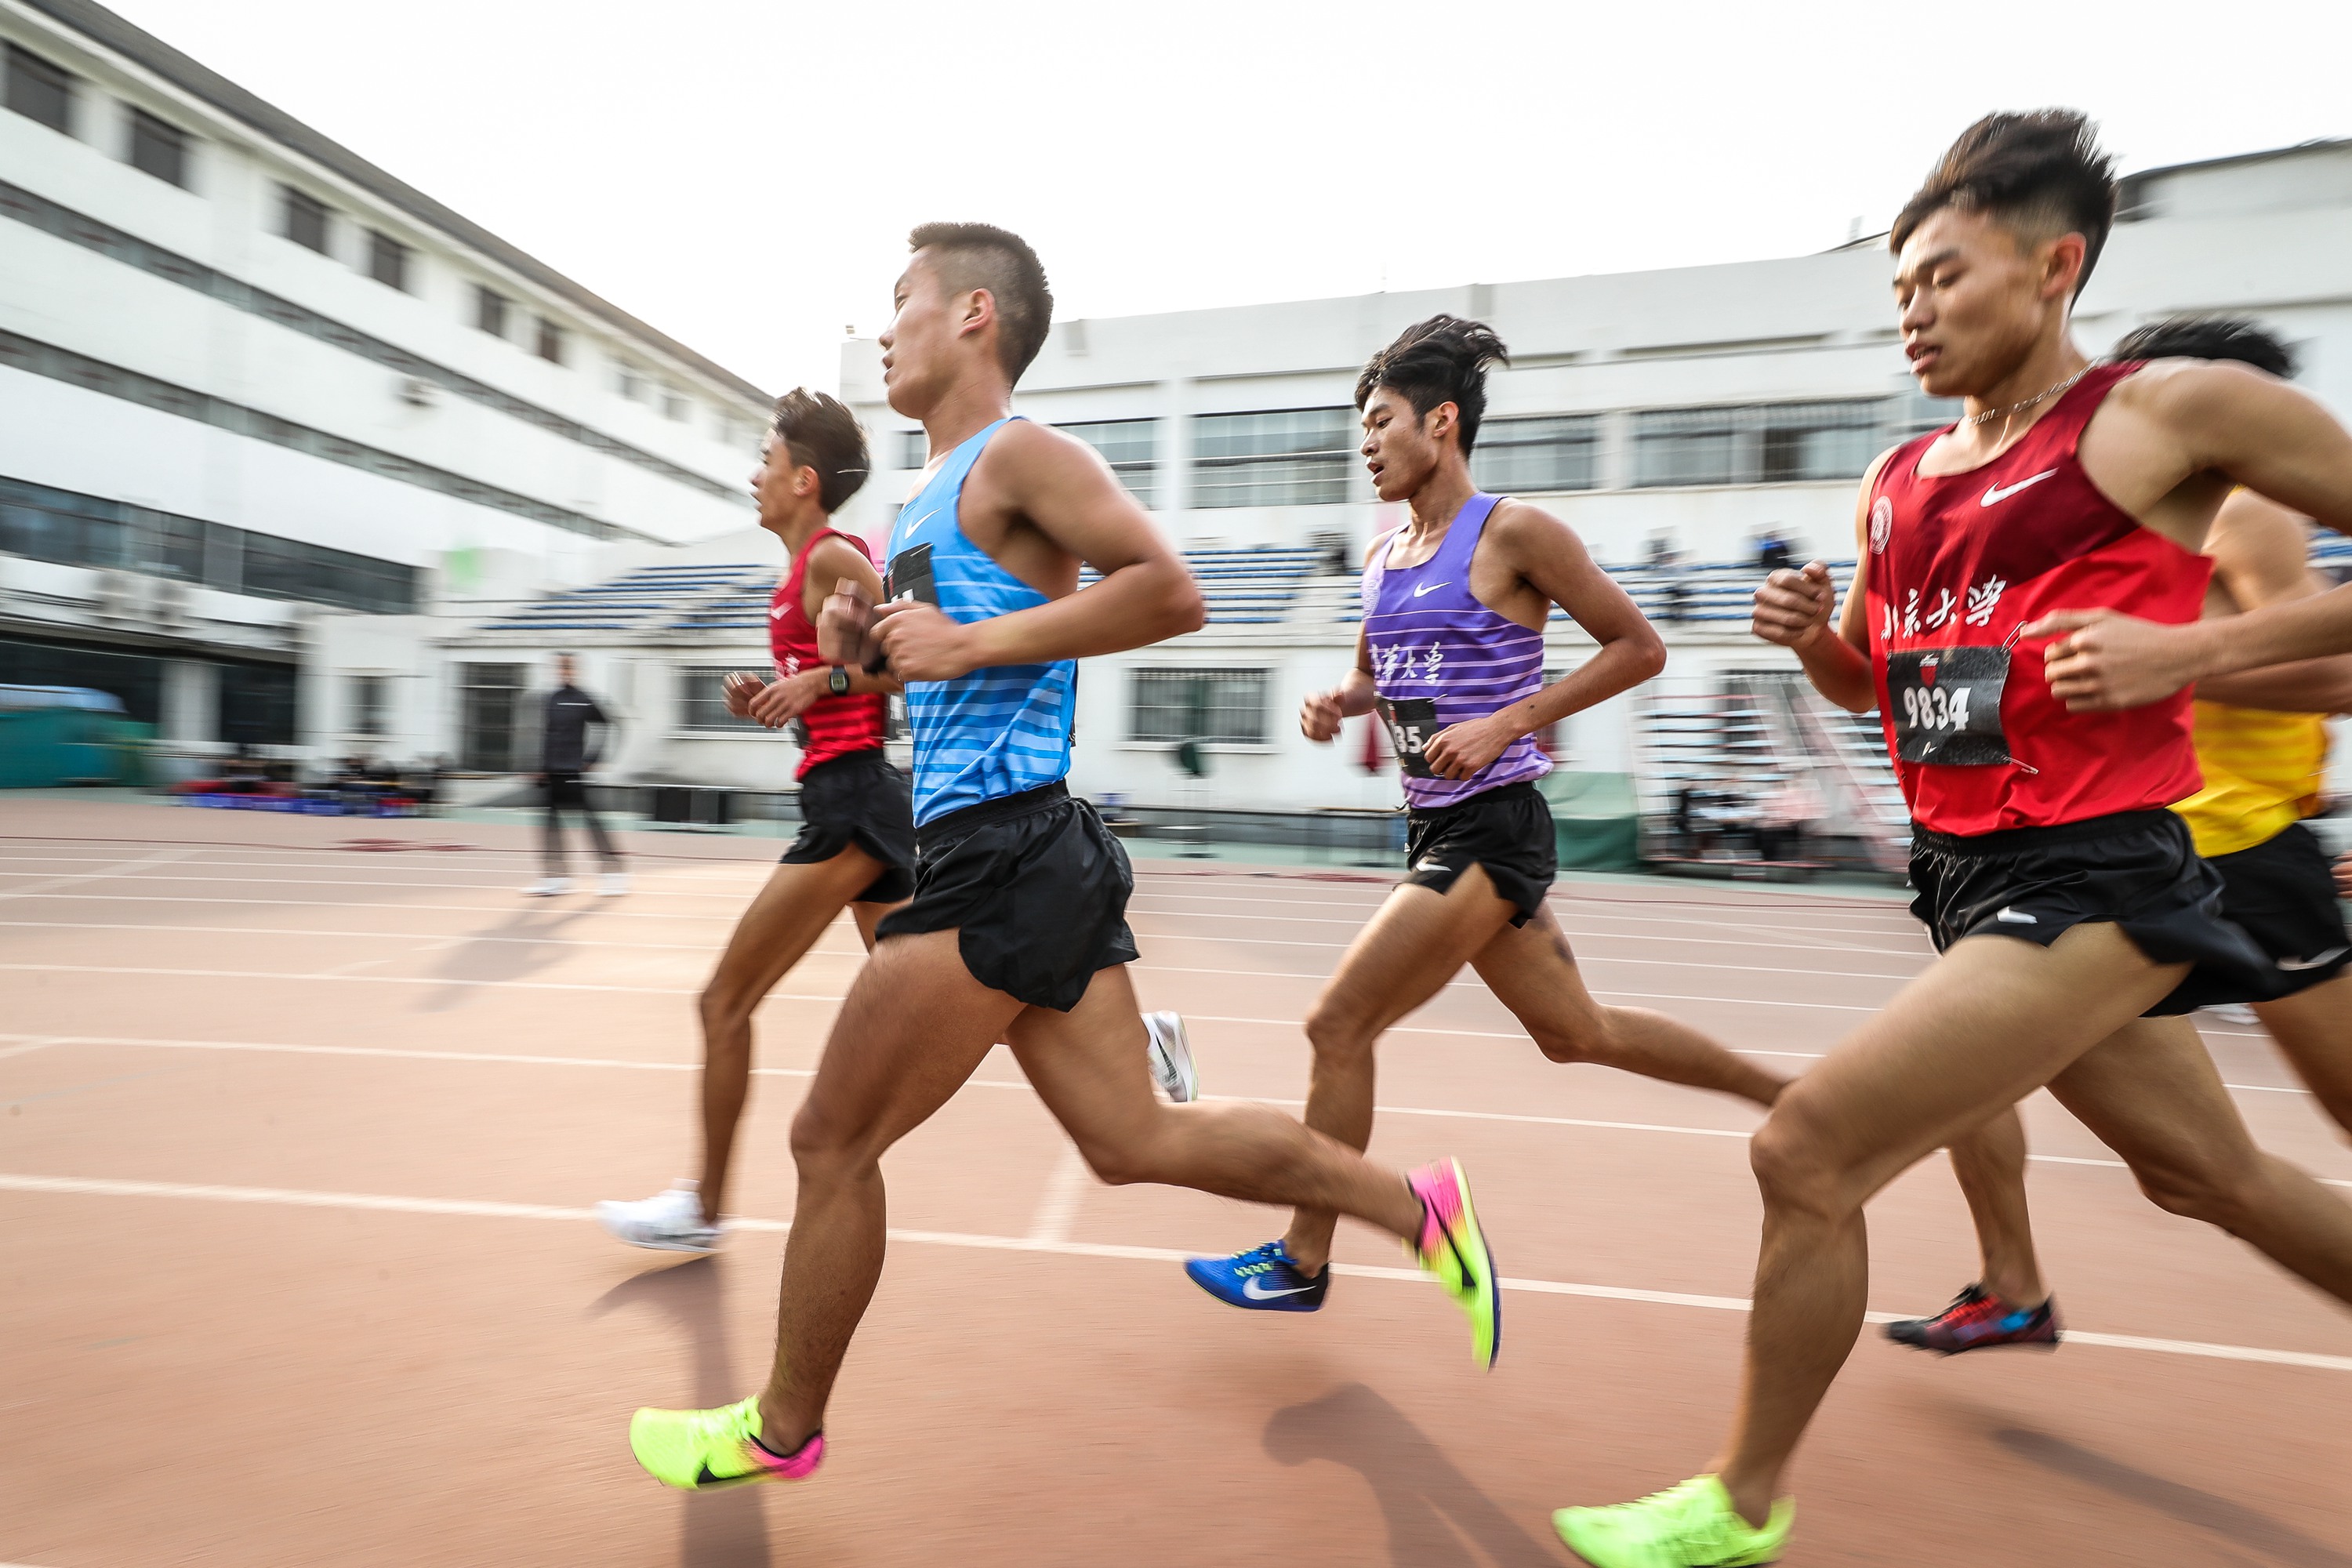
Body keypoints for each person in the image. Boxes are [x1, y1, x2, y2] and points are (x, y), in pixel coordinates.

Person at [1555, 111, 2352, 1566]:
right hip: (1968, 878)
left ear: (2057, 267)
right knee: (2211, 1180)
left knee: (1808, 1151)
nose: (1913, 312)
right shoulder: (1899, 482)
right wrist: (1815, 647)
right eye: (1899, 291)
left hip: (2101, 873)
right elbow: (1887, 692)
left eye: (1943, 277)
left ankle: (1737, 1508)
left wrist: (2190, 659)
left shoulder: (2165, 414)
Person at [625, 223, 1501, 1493]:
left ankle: (780, 1427)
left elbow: (1171, 591)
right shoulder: (926, 499)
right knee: (1132, 1137)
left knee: (829, 1141)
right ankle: (1416, 1210)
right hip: (1022, 851)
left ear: (975, 314)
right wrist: (851, 652)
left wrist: (970, 649)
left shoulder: (1022, 455)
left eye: (904, 300)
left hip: (1004, 855)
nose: (886, 327)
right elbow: (930, 651)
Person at [1183, 317, 1786, 1315]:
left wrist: (1511, 718)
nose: (1366, 443)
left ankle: (1303, 1257)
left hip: (1493, 822)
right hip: (1430, 824)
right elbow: (1385, 675)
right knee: (1577, 1031)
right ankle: (1788, 1096)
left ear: (1443, 421)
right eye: (1361, 428)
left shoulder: (1516, 534)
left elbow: (1638, 648)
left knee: (1337, 1021)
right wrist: (1344, 699)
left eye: (1380, 423)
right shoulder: (1383, 557)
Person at [597, 390, 1200, 1254]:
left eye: (764, 459)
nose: (753, 475)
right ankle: (1135, 1039)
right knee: (960, 1001)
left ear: (803, 478)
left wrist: (826, 681)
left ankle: (704, 1203)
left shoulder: (835, 557)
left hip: (855, 807)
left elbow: (912, 660)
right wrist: (781, 693)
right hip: (853, 800)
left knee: (725, 999)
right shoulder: (801, 566)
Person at [1889, 316, 2352, 1354]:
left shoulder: (2249, 507)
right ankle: (2010, 1280)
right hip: (2094, 852)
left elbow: (2337, 677)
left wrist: (2179, 659)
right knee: (1963, 1065)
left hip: (2236, 846)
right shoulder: (2106, 508)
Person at [526, 652, 626, 896]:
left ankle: (614, 874)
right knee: (550, 827)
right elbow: (549, 737)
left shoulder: (584, 699)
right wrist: (541, 768)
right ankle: (555, 877)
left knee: (592, 824)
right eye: (561, 667)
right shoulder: (551, 699)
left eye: (569, 667)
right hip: (552, 774)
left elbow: (609, 725)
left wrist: (593, 758)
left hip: (574, 772)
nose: (565, 671)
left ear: (576, 670)